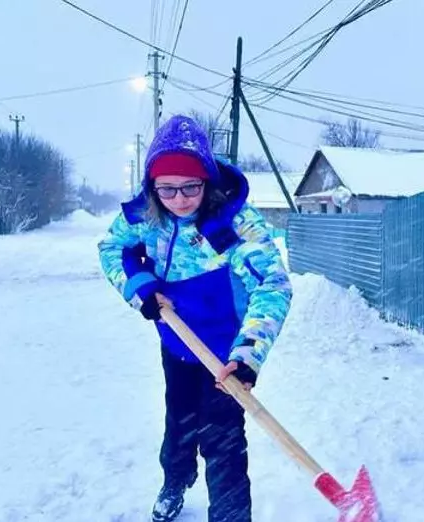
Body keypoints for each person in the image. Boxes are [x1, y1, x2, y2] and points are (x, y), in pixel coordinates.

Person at [97, 115, 292, 522]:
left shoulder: (234, 224)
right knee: (179, 425)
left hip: (226, 355)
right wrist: (139, 286)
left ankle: (231, 516)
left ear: (207, 180)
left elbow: (272, 285)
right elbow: (113, 248)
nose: (180, 199)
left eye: (191, 186)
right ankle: (175, 481)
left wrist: (249, 355)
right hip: (176, 343)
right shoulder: (145, 217)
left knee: (224, 442)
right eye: (166, 189)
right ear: (152, 187)